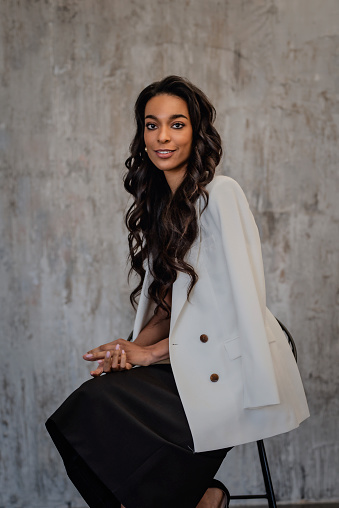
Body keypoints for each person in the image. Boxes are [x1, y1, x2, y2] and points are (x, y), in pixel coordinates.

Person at [46, 76, 310, 508]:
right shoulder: (159, 208)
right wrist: (127, 349)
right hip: (185, 352)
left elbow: (240, 306)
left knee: (107, 420)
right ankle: (200, 498)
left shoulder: (222, 194)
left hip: (236, 356)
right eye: (152, 125)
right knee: (82, 411)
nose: (163, 136)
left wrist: (148, 355)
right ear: (142, 134)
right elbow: (171, 304)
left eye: (177, 124)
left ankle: (193, 498)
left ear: (196, 131)